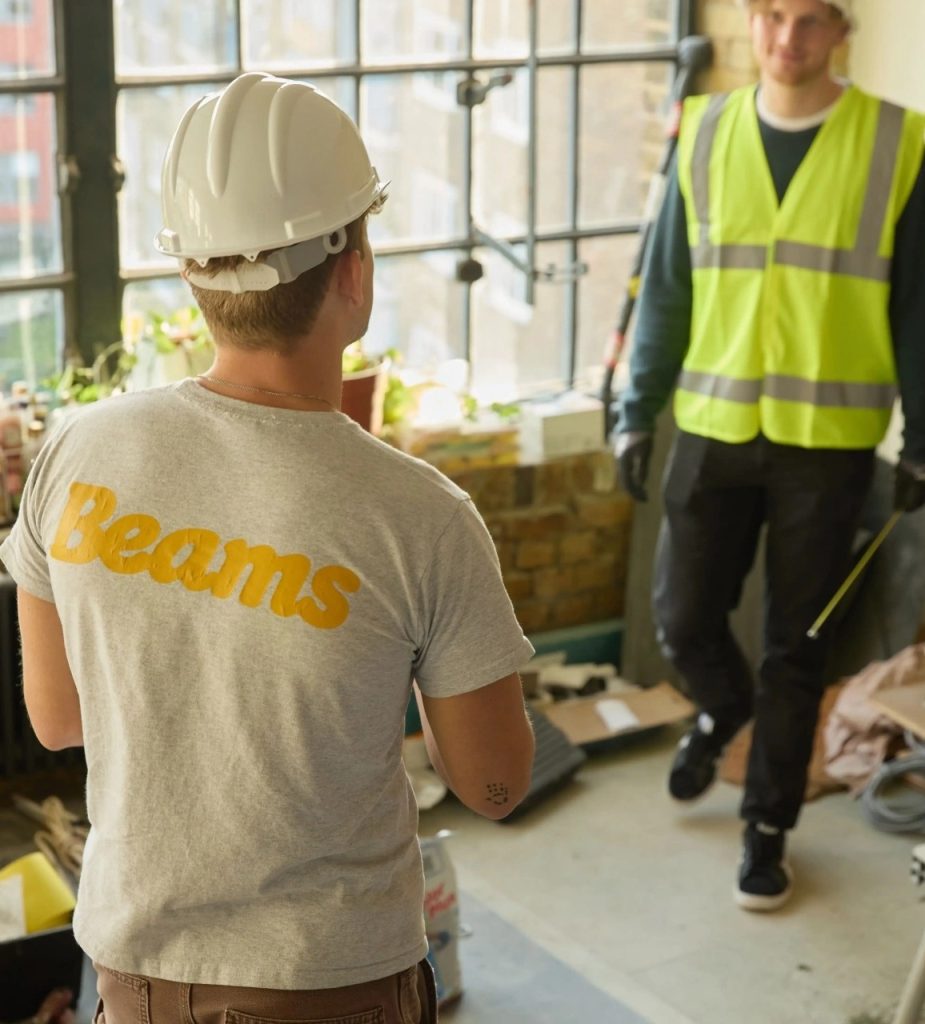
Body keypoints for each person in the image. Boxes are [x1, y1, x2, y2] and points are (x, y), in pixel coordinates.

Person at [0, 71, 535, 1022]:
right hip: (330, 979)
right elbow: (492, 786)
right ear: (355, 270)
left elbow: (57, 720)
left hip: (135, 970)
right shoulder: (421, 516)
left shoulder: (77, 451)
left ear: (192, 276)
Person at [616, 0, 925, 912]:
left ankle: (766, 828)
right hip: (710, 428)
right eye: (773, 16)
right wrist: (637, 410)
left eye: (813, 20)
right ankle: (720, 711)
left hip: (827, 452)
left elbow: (917, 307)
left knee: (799, 647)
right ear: (751, 22)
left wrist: (924, 434)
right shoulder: (704, 131)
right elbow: (666, 283)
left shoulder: (896, 143)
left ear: (843, 31)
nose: (789, 41)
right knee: (682, 617)